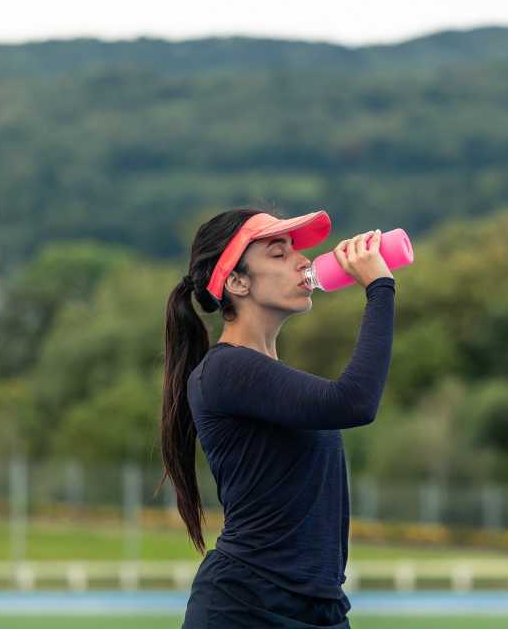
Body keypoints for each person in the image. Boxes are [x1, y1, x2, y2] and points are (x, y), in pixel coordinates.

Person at [159, 206, 396, 627]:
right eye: (278, 253)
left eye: (295, 251)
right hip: (247, 607)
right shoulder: (226, 370)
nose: (303, 261)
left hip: (320, 607)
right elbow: (354, 402)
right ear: (236, 281)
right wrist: (379, 287)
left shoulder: (272, 380)